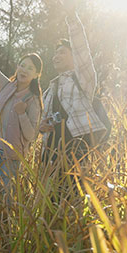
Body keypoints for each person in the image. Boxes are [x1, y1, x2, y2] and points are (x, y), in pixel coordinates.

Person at [0, 12, 43, 197]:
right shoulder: (5, 86)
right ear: (17, 66)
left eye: (30, 68)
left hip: (11, 157)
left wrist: (22, 114)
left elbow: (31, 136)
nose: (24, 70)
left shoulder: (33, 100)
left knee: (7, 199)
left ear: (36, 75)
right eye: (22, 65)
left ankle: (5, 226)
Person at [39, 9, 107, 165]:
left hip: (76, 153)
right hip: (49, 157)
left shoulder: (81, 79)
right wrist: (41, 127)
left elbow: (81, 50)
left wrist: (72, 20)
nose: (56, 57)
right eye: (55, 54)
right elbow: (41, 123)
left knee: (75, 189)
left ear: (73, 56)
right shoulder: (50, 89)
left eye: (62, 52)